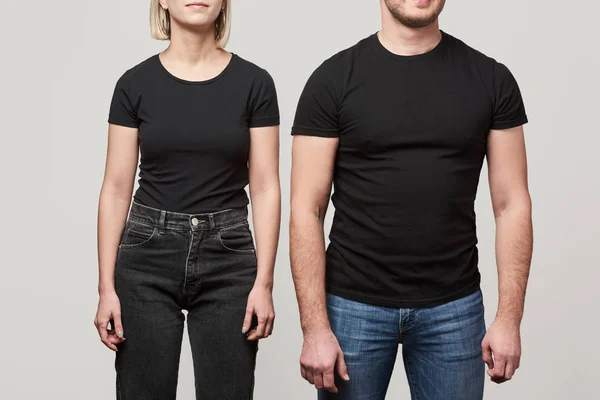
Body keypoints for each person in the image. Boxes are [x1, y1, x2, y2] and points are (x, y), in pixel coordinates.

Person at [290, 0, 532, 398]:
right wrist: (315, 328)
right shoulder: (332, 79)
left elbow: (512, 206)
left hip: (453, 307)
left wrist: (509, 319)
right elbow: (306, 209)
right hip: (353, 306)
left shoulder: (490, 79)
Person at [94, 1, 280, 398]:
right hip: (146, 258)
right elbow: (115, 188)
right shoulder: (134, 84)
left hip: (229, 258)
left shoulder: (255, 83)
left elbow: (265, 186)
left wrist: (264, 283)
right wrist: (106, 288)